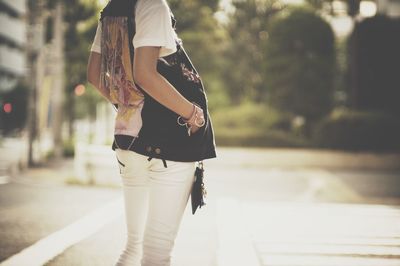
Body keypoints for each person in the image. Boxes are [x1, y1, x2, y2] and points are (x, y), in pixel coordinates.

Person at [87, 0, 217, 265]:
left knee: (134, 247)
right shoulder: (153, 5)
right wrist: (193, 113)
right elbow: (144, 74)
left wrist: (126, 102)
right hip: (169, 144)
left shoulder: (113, 8)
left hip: (130, 141)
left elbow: (94, 74)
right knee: (157, 251)